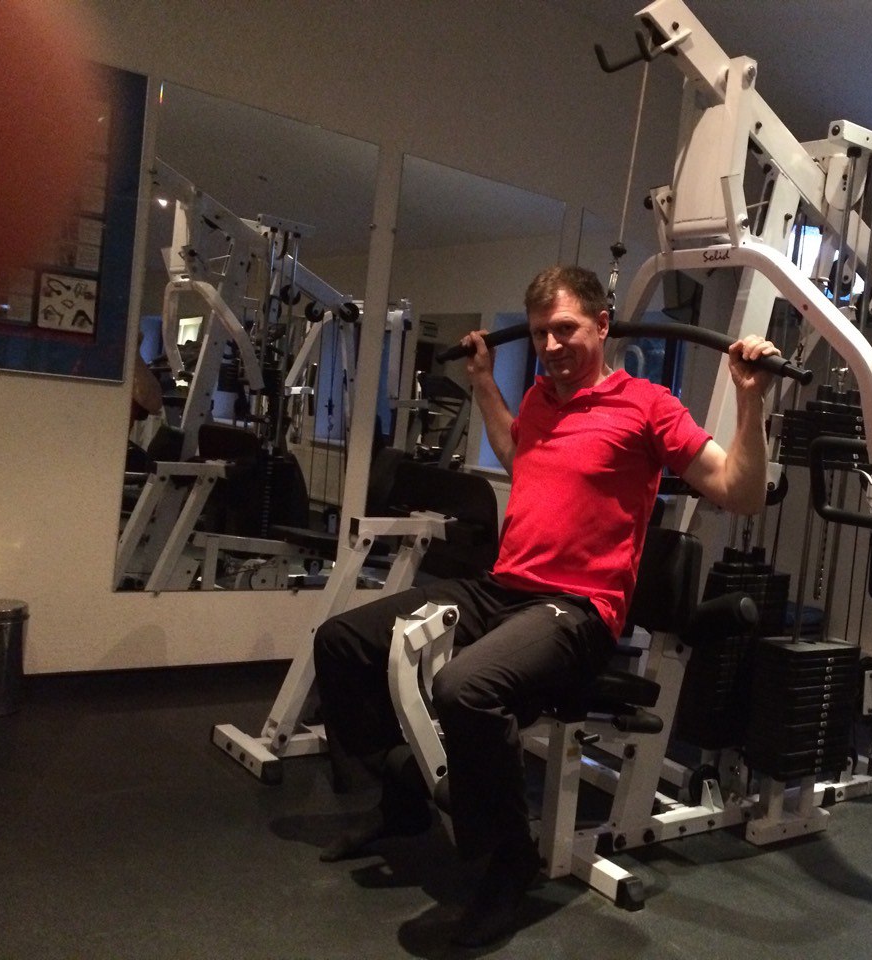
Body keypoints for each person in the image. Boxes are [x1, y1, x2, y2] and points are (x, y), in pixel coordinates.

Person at [313, 264, 777, 947]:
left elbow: (740, 492)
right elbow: (517, 452)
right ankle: (401, 792)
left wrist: (750, 402)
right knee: (344, 641)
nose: (551, 346)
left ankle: (509, 865)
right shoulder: (538, 398)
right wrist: (483, 382)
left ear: (602, 325)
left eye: (565, 330)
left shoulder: (648, 405)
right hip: (502, 587)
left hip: (578, 609)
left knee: (464, 688)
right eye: (539, 334)